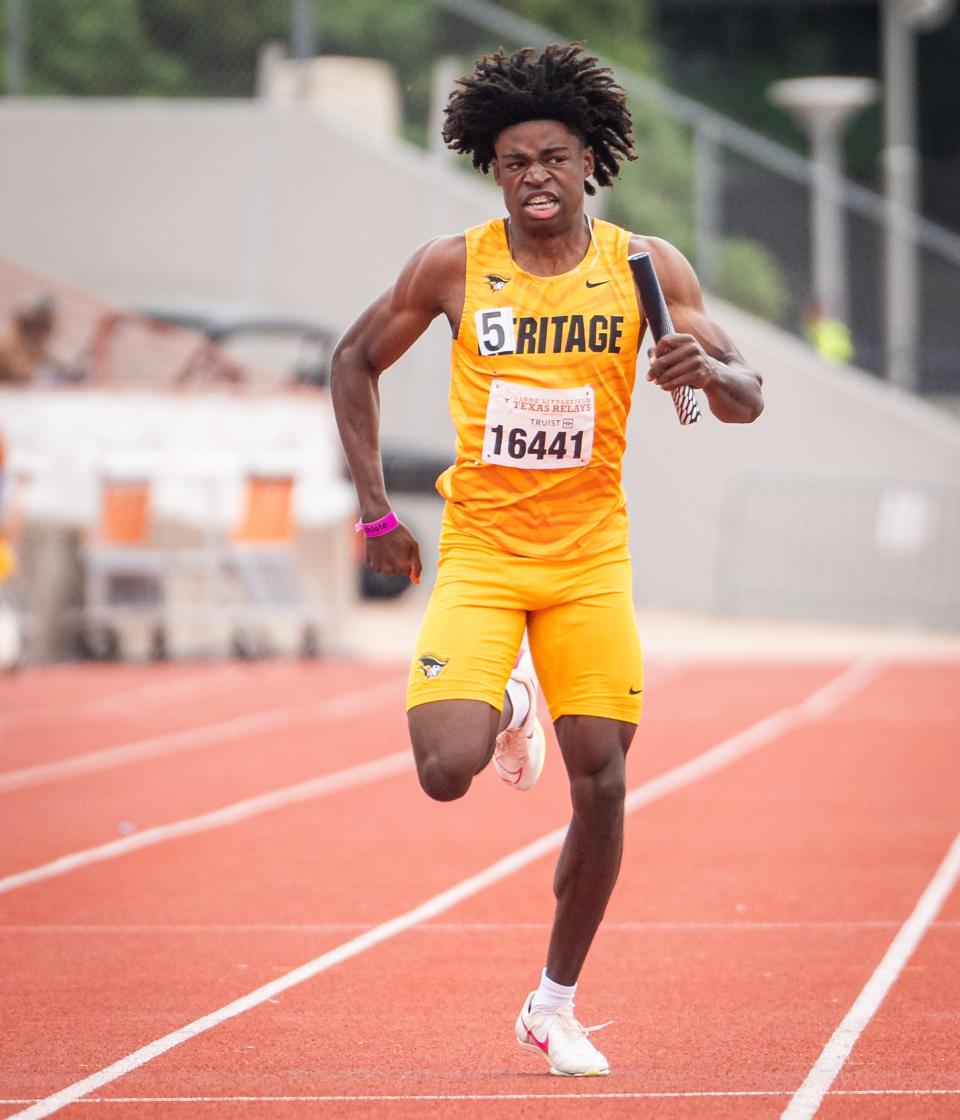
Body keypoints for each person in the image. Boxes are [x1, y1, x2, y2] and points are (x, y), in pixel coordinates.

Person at [330, 42, 764, 1077]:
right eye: (516, 160)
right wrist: (375, 513)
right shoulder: (452, 264)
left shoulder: (646, 268)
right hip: (481, 551)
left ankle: (554, 1002)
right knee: (445, 772)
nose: (536, 176)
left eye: (554, 158)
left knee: (604, 785)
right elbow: (353, 358)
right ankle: (512, 709)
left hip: (586, 561)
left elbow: (745, 394)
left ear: (589, 164)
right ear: (494, 166)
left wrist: (709, 364)